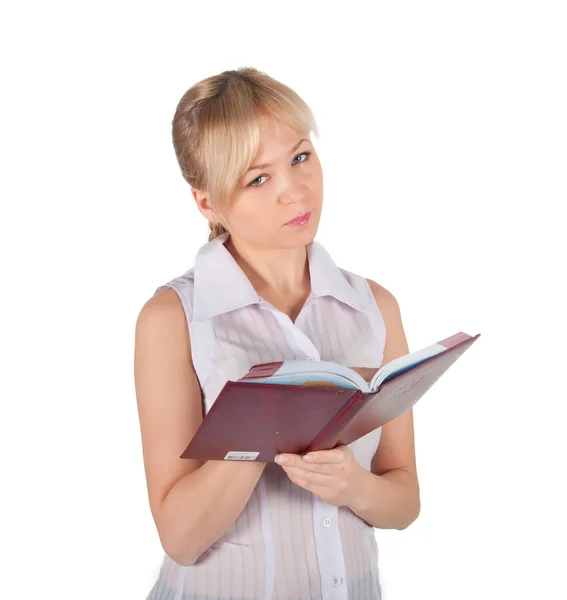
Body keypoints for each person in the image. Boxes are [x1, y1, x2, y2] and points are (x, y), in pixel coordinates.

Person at [134, 67, 421, 600]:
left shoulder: (375, 306)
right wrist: (259, 427)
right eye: (257, 178)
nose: (295, 190)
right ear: (207, 202)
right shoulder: (173, 318)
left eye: (300, 156)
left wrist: (354, 487)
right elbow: (180, 538)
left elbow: (405, 500)